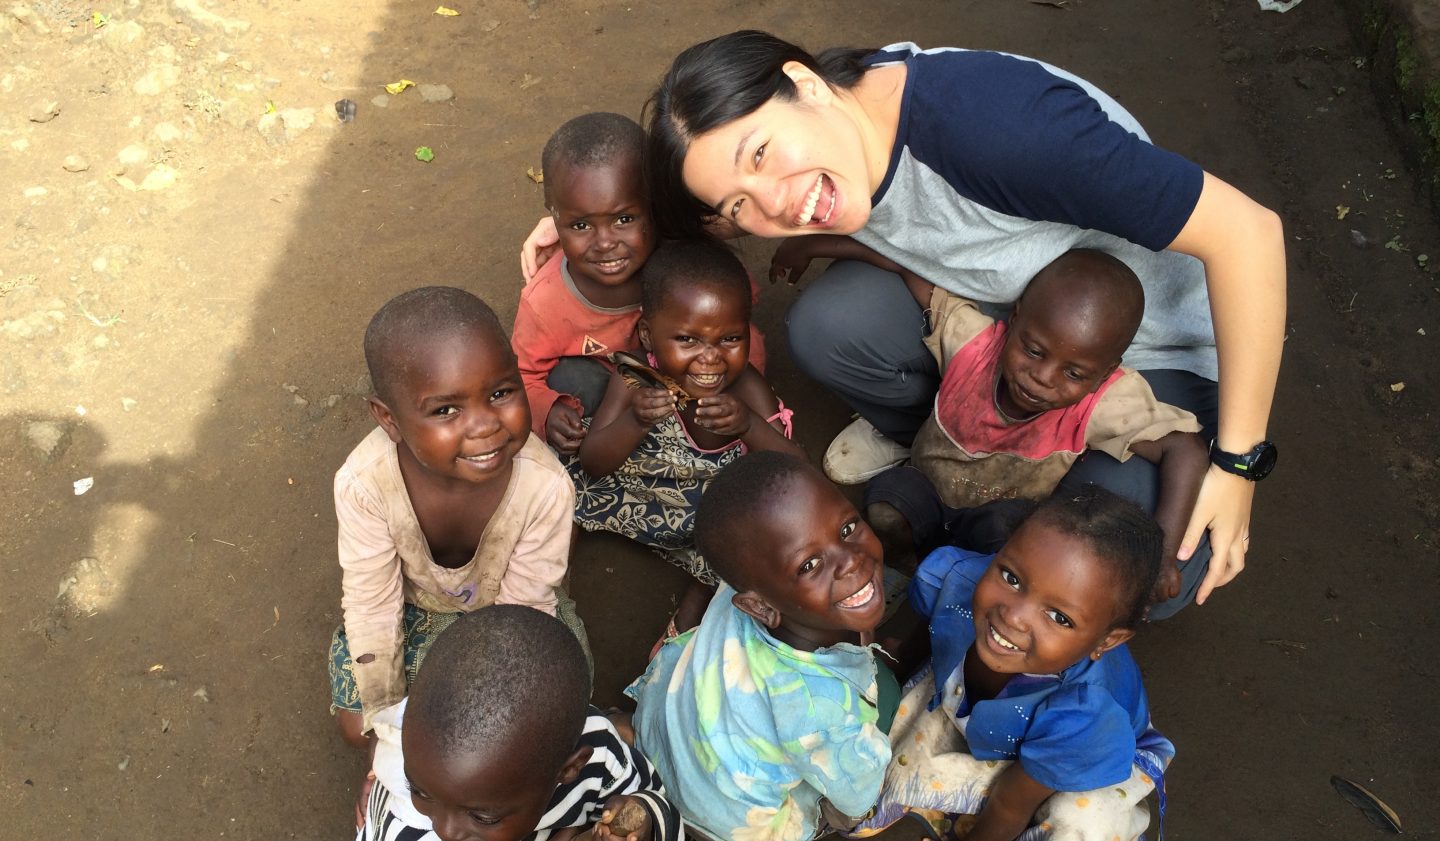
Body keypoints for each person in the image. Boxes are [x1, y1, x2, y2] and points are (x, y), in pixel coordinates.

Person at [525, 30, 1286, 607]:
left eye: (762, 154)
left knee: (1137, 569)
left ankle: (994, 480)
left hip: (1149, 348)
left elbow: (1249, 234)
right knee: (830, 321)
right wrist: (588, 232)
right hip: (1002, 321)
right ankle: (956, 445)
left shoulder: (995, 127)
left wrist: (1239, 462)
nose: (777, 205)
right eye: (739, 205)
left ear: (804, 85)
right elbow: (701, 206)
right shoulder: (841, 122)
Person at [865, 248, 1208, 615]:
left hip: (997, 525)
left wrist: (1163, 557)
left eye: (1074, 374)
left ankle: (964, 604)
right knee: (886, 506)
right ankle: (909, 567)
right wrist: (812, 243)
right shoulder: (973, 344)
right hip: (929, 491)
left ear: (1105, 374)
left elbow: (1185, 449)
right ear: (1014, 319)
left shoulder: (1103, 402)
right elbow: (912, 266)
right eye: (1033, 351)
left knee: (1012, 548)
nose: (1043, 378)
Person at [329, 287, 588, 754]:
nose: (485, 424)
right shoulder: (364, 485)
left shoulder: (545, 488)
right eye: (446, 410)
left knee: (541, 713)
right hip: (409, 613)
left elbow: (523, 612)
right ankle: (399, 785)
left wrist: (492, 711)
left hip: (509, 616)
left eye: (501, 392)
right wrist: (387, 730)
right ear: (389, 419)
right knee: (357, 725)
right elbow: (372, 606)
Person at [854, 487, 1174, 841]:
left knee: (1081, 823)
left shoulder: (1084, 717)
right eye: (1011, 578)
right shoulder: (959, 581)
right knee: (884, 736)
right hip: (1008, 721)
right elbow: (934, 628)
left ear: (1105, 642)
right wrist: (898, 666)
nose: (1014, 617)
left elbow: (1010, 804)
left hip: (1082, 753)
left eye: (1059, 617)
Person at [626, 452, 895, 841]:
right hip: (723, 823)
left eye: (848, 528)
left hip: (658, 729)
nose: (851, 562)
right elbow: (855, 801)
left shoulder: (751, 577)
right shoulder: (825, 709)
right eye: (809, 565)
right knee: (884, 698)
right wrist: (859, 804)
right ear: (760, 607)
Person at [568, 239, 800, 636]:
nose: (710, 359)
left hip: (705, 512)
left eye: (729, 339)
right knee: (564, 478)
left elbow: (795, 471)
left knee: (752, 537)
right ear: (647, 334)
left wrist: (749, 426)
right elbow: (594, 460)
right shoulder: (638, 374)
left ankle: (694, 606)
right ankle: (553, 574)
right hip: (643, 486)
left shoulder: (747, 389)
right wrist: (635, 421)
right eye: (688, 340)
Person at [513, 112, 765, 456]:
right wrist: (548, 410)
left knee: (747, 353)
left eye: (625, 219)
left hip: (701, 383)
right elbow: (521, 377)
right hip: (620, 396)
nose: (604, 243)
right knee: (572, 383)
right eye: (581, 225)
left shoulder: (684, 261)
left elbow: (735, 310)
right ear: (553, 215)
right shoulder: (544, 303)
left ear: (654, 204)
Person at [359, 605, 683, 841]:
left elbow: (648, 794)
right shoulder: (406, 830)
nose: (445, 831)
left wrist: (644, 821)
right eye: (419, 790)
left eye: (482, 816)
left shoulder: (598, 751)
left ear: (570, 769)